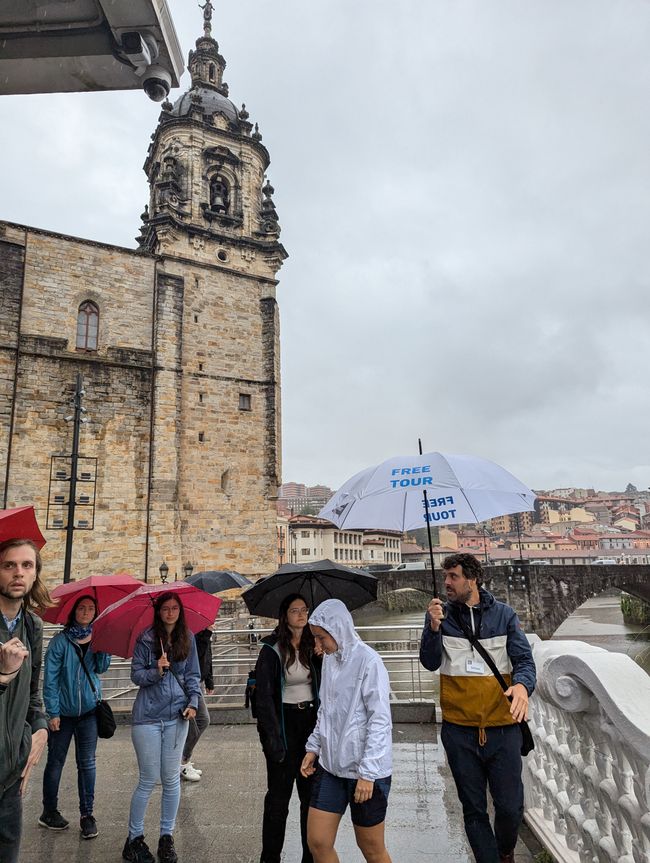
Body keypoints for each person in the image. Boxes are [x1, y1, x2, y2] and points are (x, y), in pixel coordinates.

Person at [419, 553, 536, 863]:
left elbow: (524, 660)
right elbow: (430, 662)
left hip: (503, 726)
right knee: (473, 808)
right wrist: (432, 628)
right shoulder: (439, 618)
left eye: (453, 576)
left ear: (472, 579)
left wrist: (523, 686)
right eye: (445, 576)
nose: (446, 583)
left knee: (511, 807)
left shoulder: (504, 616)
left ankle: (505, 850)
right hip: (459, 730)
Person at [300, 598, 393, 863]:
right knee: (317, 841)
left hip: (364, 770)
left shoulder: (369, 662)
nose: (318, 647)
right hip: (331, 766)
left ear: (338, 630)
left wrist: (368, 773)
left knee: (371, 847)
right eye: (315, 639)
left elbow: (380, 721)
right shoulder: (330, 660)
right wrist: (313, 747)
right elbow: (326, 711)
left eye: (320, 638)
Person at [123, 592, 201, 863]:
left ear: (180, 611)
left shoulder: (187, 638)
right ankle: (134, 839)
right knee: (147, 779)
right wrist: (156, 670)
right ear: (158, 612)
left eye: (174, 608)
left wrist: (193, 702)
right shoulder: (146, 638)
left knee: (170, 780)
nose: (170, 613)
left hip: (176, 717)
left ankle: (166, 837)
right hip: (148, 717)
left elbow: (193, 675)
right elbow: (136, 676)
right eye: (165, 609)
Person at [255, 593, 322, 863]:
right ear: (285, 616)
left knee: (310, 799)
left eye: (304, 610)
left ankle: (310, 857)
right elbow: (264, 699)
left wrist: (322, 656)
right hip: (283, 724)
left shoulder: (315, 646)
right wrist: (272, 740)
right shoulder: (271, 650)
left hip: (309, 724)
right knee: (278, 801)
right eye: (295, 610)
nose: (301, 615)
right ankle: (270, 857)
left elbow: (328, 684)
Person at [39, 594, 111, 838]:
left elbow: (101, 668)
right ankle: (49, 811)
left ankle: (87, 815)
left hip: (89, 712)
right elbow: (50, 679)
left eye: (91, 608)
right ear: (74, 611)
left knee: (87, 764)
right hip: (64, 714)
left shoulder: (98, 637)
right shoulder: (60, 642)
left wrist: (103, 647)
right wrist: (53, 711)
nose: (86, 612)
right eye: (82, 608)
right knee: (56, 762)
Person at [0, 537, 53, 863]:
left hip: (11, 776)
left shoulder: (33, 625)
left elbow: (33, 693)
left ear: (35, 574)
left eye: (26, 565)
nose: (18, 573)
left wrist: (41, 728)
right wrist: (3, 676)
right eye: (9, 565)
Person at [180, 625, 214, 781]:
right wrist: (205, 635)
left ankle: (183, 760)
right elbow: (196, 658)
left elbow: (208, 655)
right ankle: (182, 762)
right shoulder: (190, 632)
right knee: (195, 726)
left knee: (202, 721)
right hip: (187, 684)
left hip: (197, 682)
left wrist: (209, 680)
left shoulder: (201, 629)